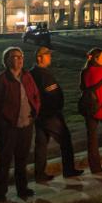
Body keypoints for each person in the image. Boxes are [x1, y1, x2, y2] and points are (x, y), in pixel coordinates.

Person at [0, 46, 41, 202]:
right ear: (7, 60)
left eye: (21, 56)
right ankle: (0, 192)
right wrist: (3, 121)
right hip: (9, 127)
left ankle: (22, 189)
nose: (19, 59)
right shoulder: (1, 80)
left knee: (22, 159)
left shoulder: (27, 77)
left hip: (26, 123)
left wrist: (35, 111)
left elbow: (35, 95)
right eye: (15, 57)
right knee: (5, 159)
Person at [29, 46, 83, 182]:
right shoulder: (42, 74)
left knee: (41, 144)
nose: (50, 57)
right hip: (50, 115)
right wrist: (56, 109)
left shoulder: (32, 73)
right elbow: (51, 94)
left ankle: (39, 174)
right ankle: (69, 170)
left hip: (40, 115)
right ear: (39, 58)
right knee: (65, 140)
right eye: (47, 55)